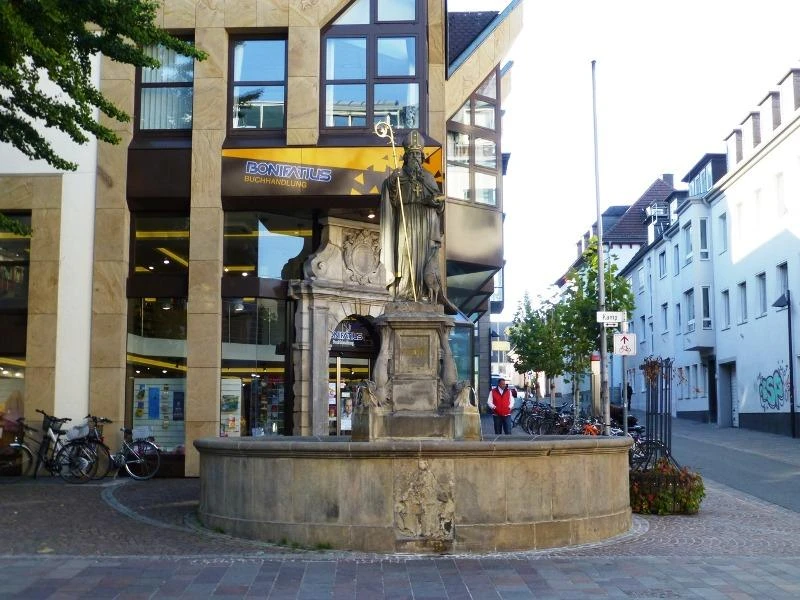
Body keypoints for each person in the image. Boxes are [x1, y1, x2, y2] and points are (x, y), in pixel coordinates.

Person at [380, 129, 445, 303]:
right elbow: (392, 199)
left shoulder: (429, 178)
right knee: (405, 255)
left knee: (423, 258)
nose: (415, 158)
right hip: (405, 220)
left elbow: (439, 201)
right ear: (406, 157)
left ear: (422, 157)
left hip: (425, 224)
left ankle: (423, 292)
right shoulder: (398, 176)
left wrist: (435, 201)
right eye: (412, 154)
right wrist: (392, 181)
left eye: (418, 155)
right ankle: (405, 291)